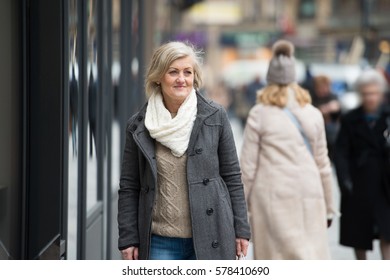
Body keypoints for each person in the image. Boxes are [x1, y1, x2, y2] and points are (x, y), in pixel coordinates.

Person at [118, 41, 251, 260]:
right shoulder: (138, 126)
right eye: (173, 72)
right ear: (159, 77)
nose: (182, 79)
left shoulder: (215, 116)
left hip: (212, 236)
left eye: (187, 72)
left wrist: (241, 230)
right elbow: (130, 186)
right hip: (158, 240)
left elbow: (232, 177)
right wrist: (128, 237)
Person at [240, 40, 337, 260]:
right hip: (310, 195)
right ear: (295, 80)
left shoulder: (259, 113)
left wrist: (239, 210)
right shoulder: (313, 113)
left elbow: (247, 167)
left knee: (276, 259)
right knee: (308, 258)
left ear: (269, 79)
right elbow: (323, 164)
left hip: (271, 197)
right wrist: (329, 207)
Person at [334, 69, 390, 260]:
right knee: (358, 235)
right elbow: (341, 152)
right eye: (366, 93)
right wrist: (345, 181)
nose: (370, 98)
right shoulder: (351, 119)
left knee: (387, 233)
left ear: (381, 93)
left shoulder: (388, 117)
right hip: (358, 184)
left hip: (385, 184)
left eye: (374, 93)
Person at [312, 75, 341, 159]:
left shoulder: (332, 96)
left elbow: (337, 112)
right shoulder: (312, 98)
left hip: (330, 134)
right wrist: (326, 109)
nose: (324, 89)